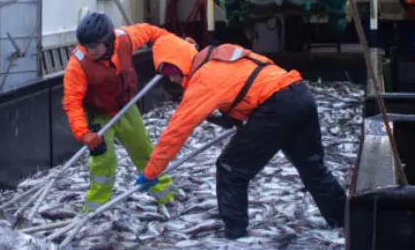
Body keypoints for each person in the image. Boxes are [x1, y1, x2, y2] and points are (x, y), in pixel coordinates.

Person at [135, 35, 346, 238]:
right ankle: (346, 220)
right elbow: (255, 78)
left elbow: (177, 130)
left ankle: (235, 235)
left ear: (182, 61)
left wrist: (152, 172)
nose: (171, 77)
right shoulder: (219, 54)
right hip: (299, 95)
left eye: (171, 69)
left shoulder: (204, 78)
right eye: (165, 73)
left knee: (230, 168)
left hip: (276, 107)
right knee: (313, 167)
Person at [62, 12, 176, 212]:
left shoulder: (125, 39)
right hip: (97, 113)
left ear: (107, 40)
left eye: (94, 45)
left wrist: (176, 47)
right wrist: (84, 134)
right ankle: (95, 208)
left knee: (144, 149)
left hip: (125, 107)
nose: (90, 50)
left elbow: (152, 32)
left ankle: (166, 195)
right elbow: (72, 101)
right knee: (103, 160)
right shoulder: (77, 65)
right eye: (86, 45)